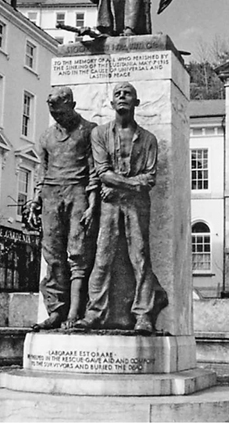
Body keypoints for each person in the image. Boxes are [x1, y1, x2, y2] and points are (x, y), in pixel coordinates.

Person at [75, 82, 167, 334]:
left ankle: (143, 315)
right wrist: (126, 185)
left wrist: (119, 187)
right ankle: (94, 312)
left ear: (136, 103)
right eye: (118, 94)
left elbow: (149, 178)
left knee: (140, 258)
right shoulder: (100, 134)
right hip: (109, 205)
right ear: (112, 104)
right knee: (103, 256)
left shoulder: (148, 139)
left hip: (136, 205)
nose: (123, 97)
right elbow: (103, 172)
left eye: (128, 94)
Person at [29, 86, 99, 330]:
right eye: (55, 114)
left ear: (72, 105)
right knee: (53, 254)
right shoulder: (46, 136)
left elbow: (94, 171)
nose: (59, 118)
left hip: (77, 191)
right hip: (51, 194)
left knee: (78, 253)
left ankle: (75, 310)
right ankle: (56, 309)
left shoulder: (89, 131)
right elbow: (42, 170)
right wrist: (36, 199)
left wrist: (92, 203)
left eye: (62, 113)